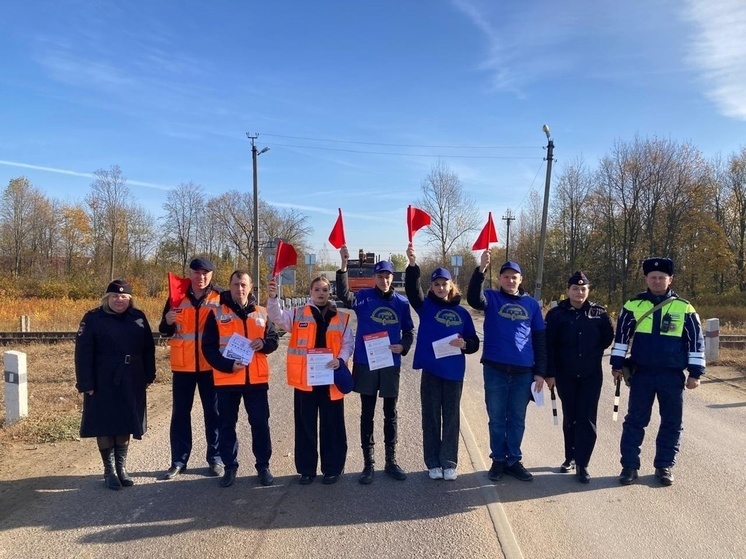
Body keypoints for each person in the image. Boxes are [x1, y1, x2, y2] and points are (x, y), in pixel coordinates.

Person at [610, 257, 704, 486]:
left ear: (670, 279)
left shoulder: (684, 307)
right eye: (653, 277)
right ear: (646, 279)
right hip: (642, 374)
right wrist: (616, 365)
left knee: (671, 422)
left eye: (662, 277)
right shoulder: (633, 305)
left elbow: (696, 342)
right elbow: (621, 337)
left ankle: (664, 466)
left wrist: (695, 373)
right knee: (634, 421)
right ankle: (629, 466)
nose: (657, 281)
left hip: (671, 376)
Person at [336, 246, 414, 484]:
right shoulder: (363, 297)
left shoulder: (401, 303)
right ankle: (368, 464)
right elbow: (343, 294)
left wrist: (403, 345)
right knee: (367, 413)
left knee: (390, 413)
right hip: (366, 362)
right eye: (380, 276)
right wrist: (343, 266)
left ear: (393, 277)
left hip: (390, 363)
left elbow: (409, 331)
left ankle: (391, 460)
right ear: (375, 278)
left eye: (387, 276)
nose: (384, 280)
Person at [466, 253, 547, 482]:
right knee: (497, 418)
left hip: (524, 372)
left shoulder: (531, 304)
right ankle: (498, 460)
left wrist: (540, 372)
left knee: (517, 418)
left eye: (514, 277)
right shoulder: (491, 298)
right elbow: (473, 298)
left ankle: (514, 459)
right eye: (506, 277)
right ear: (500, 279)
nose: (510, 281)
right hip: (495, 369)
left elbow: (540, 339)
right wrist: (480, 269)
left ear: (520, 280)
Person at [267, 275, 354, 485]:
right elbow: (276, 317)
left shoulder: (341, 318)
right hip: (306, 381)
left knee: (332, 425)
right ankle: (307, 470)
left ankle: (333, 468)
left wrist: (340, 359)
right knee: (305, 426)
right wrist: (272, 297)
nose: (321, 293)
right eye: (317, 289)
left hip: (331, 380)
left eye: (325, 290)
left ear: (329, 292)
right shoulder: (297, 314)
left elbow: (348, 343)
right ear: (310, 292)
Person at [404, 246, 479, 481]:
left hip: (454, 373)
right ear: (432, 287)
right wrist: (412, 265)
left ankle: (449, 462)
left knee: (451, 418)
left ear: (451, 286)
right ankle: (433, 462)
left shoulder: (462, 312)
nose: (440, 287)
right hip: (431, 371)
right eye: (436, 284)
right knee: (431, 417)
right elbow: (411, 290)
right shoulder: (425, 307)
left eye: (444, 284)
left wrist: (465, 344)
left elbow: (474, 342)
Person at [75, 279, 156, 490]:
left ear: (130, 299)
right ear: (106, 298)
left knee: (125, 421)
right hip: (102, 377)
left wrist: (149, 375)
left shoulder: (138, 317)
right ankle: (109, 470)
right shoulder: (93, 318)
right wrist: (86, 382)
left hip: (132, 376)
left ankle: (122, 468)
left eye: (123, 296)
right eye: (114, 296)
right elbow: (83, 353)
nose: (119, 300)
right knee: (105, 422)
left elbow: (149, 348)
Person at [202, 270, 279, 488]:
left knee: (260, 424)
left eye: (244, 284)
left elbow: (273, 340)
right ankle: (230, 467)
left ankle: (263, 466)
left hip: (256, 382)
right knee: (227, 425)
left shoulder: (262, 313)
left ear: (250, 287)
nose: (240, 289)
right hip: (227, 380)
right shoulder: (216, 313)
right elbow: (208, 348)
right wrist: (227, 365)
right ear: (229, 286)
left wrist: (263, 344)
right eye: (236, 284)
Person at [544, 271, 614, 483]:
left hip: (591, 375)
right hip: (565, 374)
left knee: (587, 419)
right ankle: (570, 457)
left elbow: (606, 340)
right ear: (568, 290)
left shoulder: (600, 313)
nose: (579, 292)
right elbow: (549, 346)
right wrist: (550, 374)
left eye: (583, 289)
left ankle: (583, 463)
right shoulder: (556, 315)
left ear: (588, 290)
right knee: (570, 417)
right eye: (575, 288)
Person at [159, 257, 224, 480]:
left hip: (211, 367)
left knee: (214, 414)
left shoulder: (220, 297)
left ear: (211, 275)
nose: (201, 277)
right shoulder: (176, 297)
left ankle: (215, 458)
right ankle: (179, 460)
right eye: (197, 272)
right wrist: (167, 321)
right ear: (190, 273)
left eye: (206, 273)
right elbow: (164, 330)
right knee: (180, 415)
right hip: (183, 367)